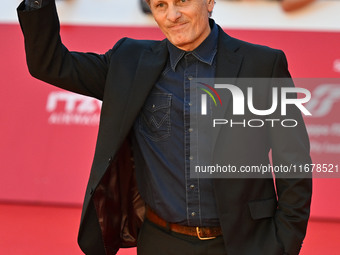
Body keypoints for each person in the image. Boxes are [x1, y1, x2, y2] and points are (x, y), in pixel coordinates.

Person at [17, 0, 312, 254]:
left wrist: (282, 245)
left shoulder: (261, 65)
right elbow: (50, 64)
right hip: (159, 242)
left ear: (209, 2)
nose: (172, 15)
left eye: (182, 1)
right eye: (160, 5)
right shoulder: (128, 62)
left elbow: (294, 163)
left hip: (242, 243)